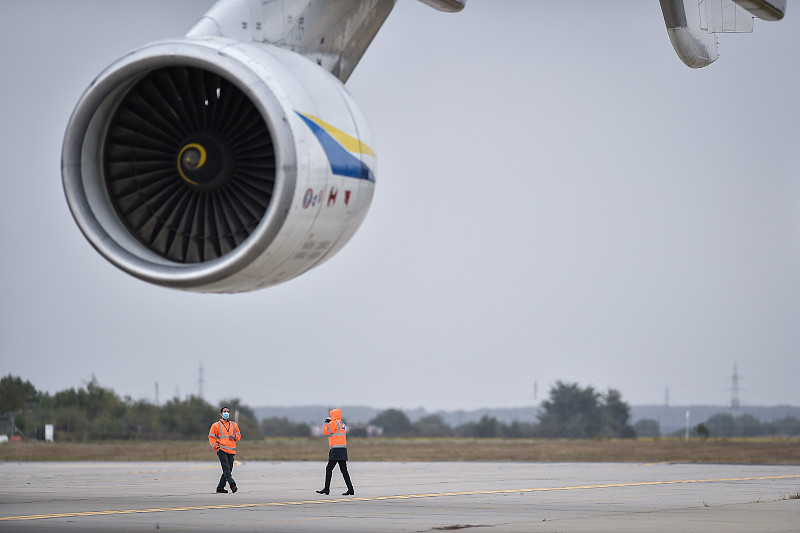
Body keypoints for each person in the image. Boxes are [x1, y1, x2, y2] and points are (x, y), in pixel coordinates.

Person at [316, 408, 354, 496]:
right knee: (344, 470)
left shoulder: (334, 423)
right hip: (343, 449)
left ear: (333, 415)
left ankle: (326, 489)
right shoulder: (342, 424)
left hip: (335, 449)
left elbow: (326, 431)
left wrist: (326, 422)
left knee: (329, 468)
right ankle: (350, 489)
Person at [208, 406, 241, 494]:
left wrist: (234, 436)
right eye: (224, 411)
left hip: (231, 451)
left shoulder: (234, 425)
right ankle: (232, 484)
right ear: (221, 414)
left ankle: (220, 487)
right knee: (226, 469)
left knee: (228, 470)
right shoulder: (216, 425)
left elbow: (238, 436)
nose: (226, 413)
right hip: (221, 450)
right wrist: (217, 448)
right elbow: (211, 437)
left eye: (227, 412)